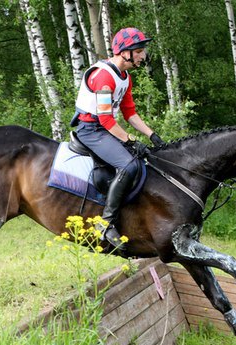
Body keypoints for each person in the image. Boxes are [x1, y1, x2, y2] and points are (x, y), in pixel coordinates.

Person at [71, 27, 166, 250]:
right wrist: (131, 140)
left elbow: (130, 113)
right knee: (129, 165)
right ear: (125, 52)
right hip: (91, 129)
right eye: (140, 51)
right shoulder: (104, 77)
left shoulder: (125, 78)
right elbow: (105, 119)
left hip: (104, 128)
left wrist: (152, 135)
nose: (143, 56)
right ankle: (105, 223)